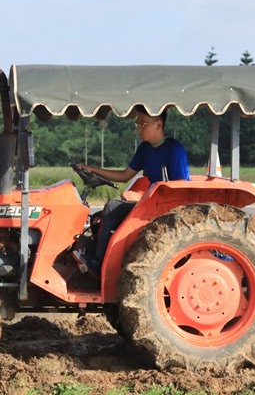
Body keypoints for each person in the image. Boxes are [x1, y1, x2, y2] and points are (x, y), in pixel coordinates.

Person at [72, 108, 190, 275]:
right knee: (98, 216)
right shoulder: (145, 148)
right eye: (137, 123)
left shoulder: (174, 149)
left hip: (167, 205)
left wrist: (141, 196)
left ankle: (100, 264)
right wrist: (90, 169)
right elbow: (124, 175)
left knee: (112, 208)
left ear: (158, 124)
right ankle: (93, 254)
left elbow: (179, 187)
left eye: (143, 124)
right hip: (151, 202)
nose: (139, 127)